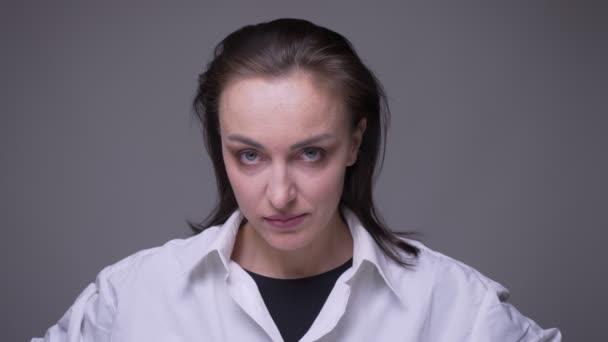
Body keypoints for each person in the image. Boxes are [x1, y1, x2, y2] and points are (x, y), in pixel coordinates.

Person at [33, 18, 561, 342]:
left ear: (356, 141)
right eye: (249, 156)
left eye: (310, 153)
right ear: (220, 146)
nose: (280, 194)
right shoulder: (133, 298)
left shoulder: (454, 308)